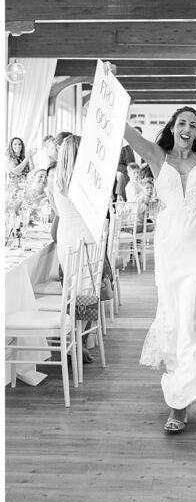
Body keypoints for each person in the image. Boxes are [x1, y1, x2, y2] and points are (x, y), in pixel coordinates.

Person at [122, 80, 196, 433]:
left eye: (193, 124)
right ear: (173, 128)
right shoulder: (158, 158)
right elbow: (127, 132)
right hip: (171, 244)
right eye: (182, 123)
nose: (187, 128)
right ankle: (180, 396)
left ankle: (184, 399)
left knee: (195, 312)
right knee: (174, 315)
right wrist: (111, 87)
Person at [45, 136, 97, 362]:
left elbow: (57, 210)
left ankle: (70, 340)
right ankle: (80, 340)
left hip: (67, 234)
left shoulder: (55, 179)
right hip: (87, 233)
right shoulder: (87, 179)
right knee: (88, 290)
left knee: (71, 289)